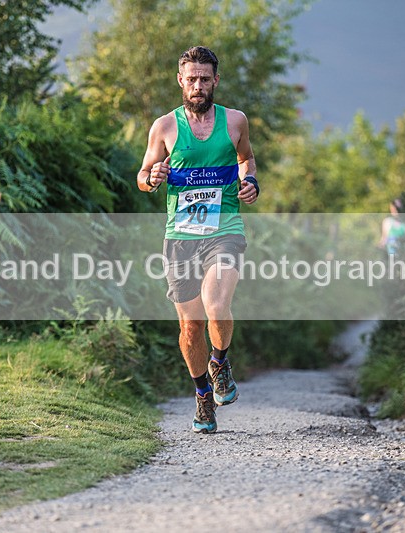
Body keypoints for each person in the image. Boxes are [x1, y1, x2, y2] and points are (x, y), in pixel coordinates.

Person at [137, 46, 259, 434]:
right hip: (180, 237)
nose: (198, 85)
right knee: (191, 326)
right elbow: (142, 176)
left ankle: (220, 362)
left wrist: (250, 181)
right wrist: (152, 177)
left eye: (205, 79)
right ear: (180, 81)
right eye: (191, 79)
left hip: (224, 230)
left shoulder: (235, 121)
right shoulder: (165, 127)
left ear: (215, 81)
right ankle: (203, 396)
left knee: (216, 304)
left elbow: (247, 159)